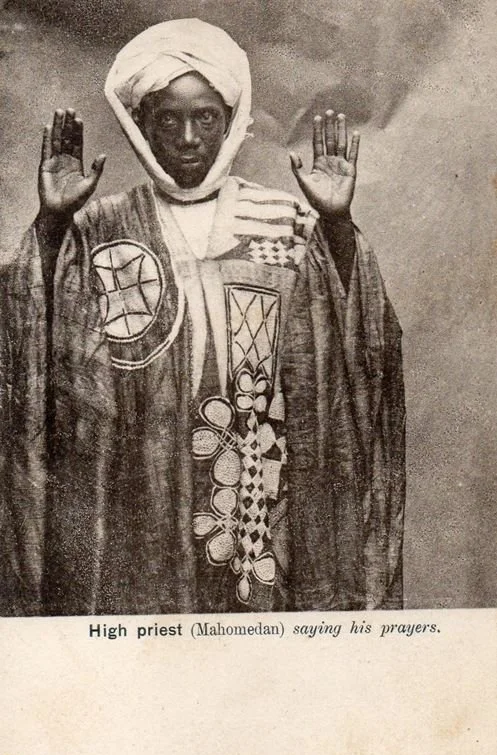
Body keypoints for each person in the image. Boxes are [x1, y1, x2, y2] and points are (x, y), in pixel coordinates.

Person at [0, 19, 405, 616]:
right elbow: (31, 350)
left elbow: (357, 350)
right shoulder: (100, 227)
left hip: (260, 511)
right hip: (137, 507)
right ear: (142, 125)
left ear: (231, 120)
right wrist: (54, 226)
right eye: (169, 119)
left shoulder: (287, 225)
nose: (189, 138)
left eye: (206, 118)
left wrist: (338, 229)